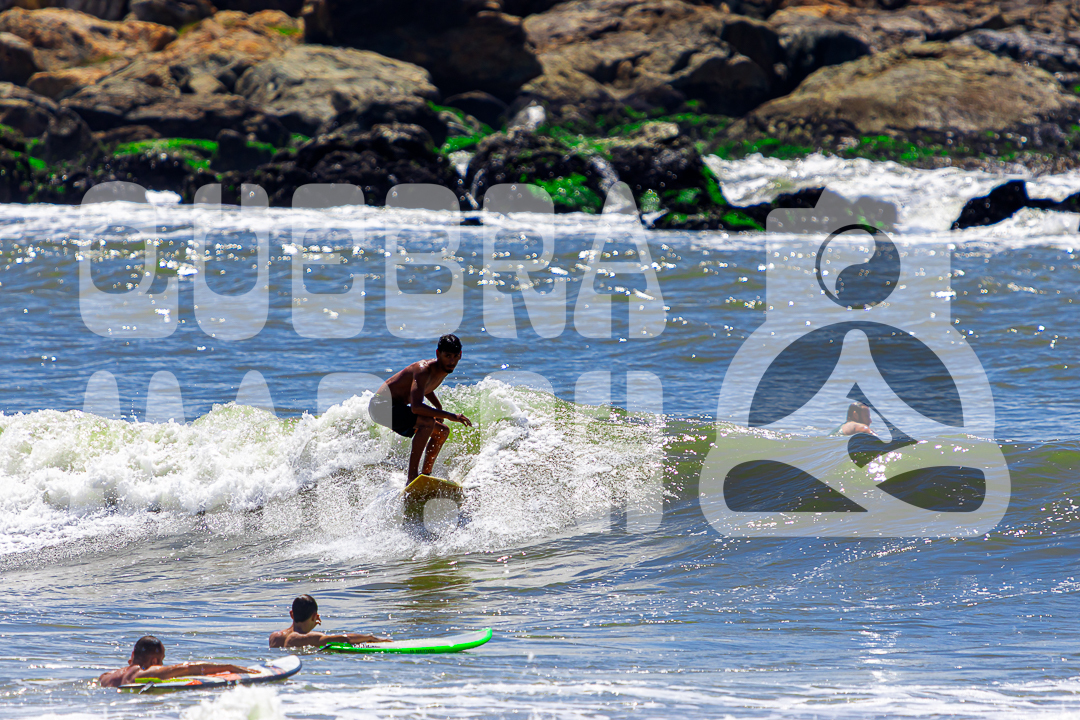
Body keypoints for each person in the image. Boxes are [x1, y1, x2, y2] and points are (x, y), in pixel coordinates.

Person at [369, 334, 474, 482]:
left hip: (396, 407)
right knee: (427, 422)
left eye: (455, 356)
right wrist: (449, 415)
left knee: (442, 432)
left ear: (460, 355)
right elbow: (416, 407)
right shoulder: (423, 369)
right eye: (447, 356)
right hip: (380, 406)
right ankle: (412, 477)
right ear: (438, 354)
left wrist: (438, 406)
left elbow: (424, 388)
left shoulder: (443, 369)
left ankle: (425, 476)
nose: (452, 361)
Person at [98, 635, 254, 688]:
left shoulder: (106, 676)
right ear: (154, 661)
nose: (161, 665)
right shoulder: (143, 673)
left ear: (132, 655)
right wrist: (229, 667)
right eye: (161, 661)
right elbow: (188, 668)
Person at [269, 594, 389, 648]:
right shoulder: (307, 638)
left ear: (291, 614)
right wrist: (370, 637)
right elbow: (345, 638)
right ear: (314, 616)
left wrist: (309, 626)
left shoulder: (275, 637)